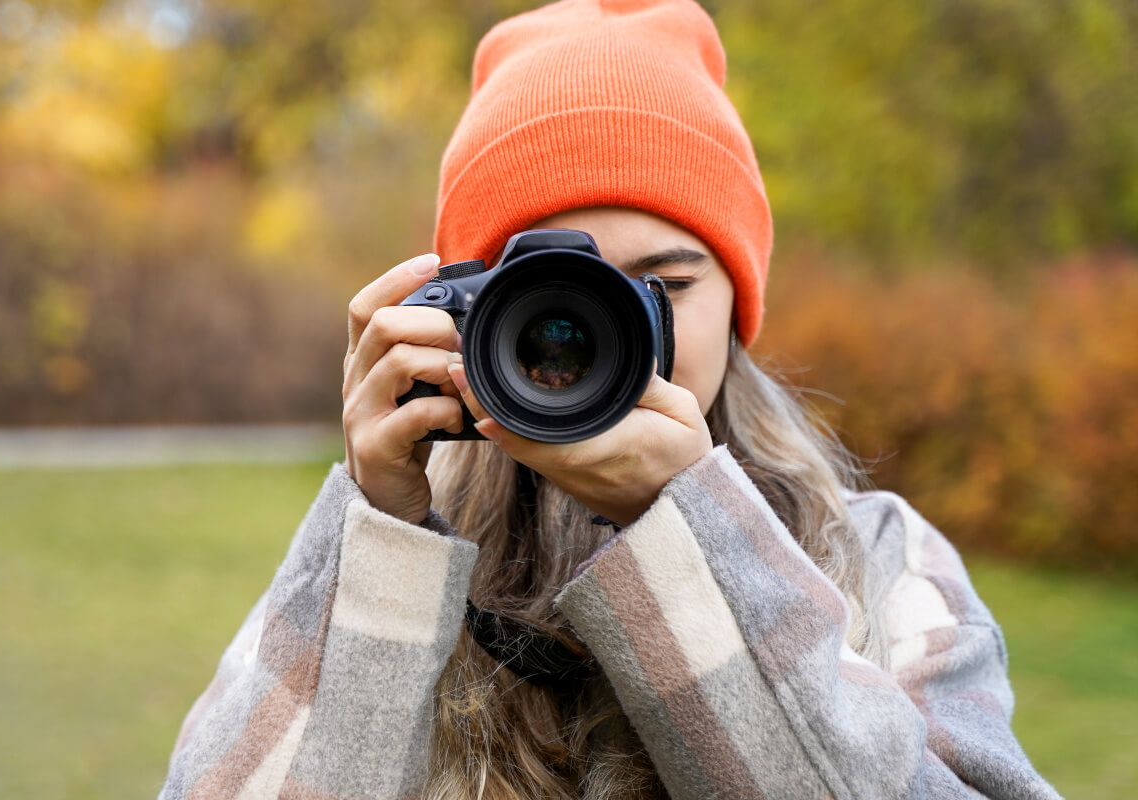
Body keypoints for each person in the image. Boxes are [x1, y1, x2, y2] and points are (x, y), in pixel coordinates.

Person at [159, 1, 1062, 798]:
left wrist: (691, 530)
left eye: (663, 287)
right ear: (459, 312)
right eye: (550, 298)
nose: (597, 336)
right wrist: (382, 534)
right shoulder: (383, 548)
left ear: (740, 306)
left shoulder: (880, 557)